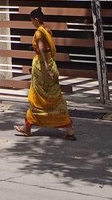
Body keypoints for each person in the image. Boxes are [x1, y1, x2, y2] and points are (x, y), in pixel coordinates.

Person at [15, 7, 76, 140]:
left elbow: (42, 50)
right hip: (51, 64)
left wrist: (47, 68)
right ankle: (69, 129)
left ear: (36, 19)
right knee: (55, 98)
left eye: (32, 21)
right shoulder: (47, 31)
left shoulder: (39, 33)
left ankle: (27, 128)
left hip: (43, 68)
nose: (32, 23)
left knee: (38, 99)